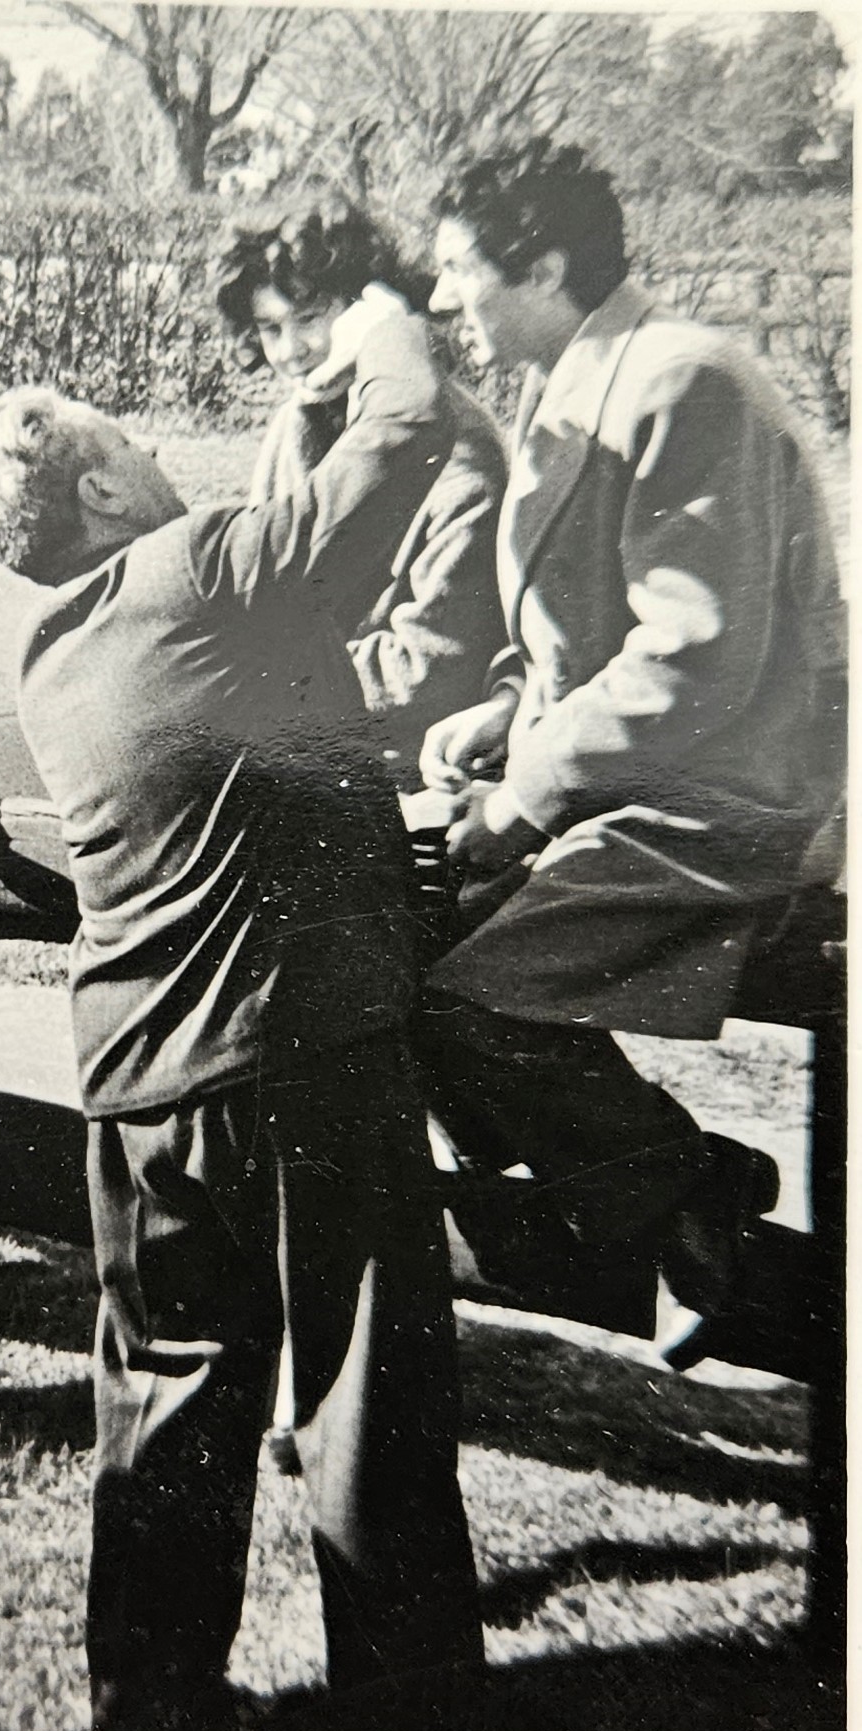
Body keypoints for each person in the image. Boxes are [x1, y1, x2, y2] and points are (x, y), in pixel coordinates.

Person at [0, 283, 480, 1731]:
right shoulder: (202, 569)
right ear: (104, 489)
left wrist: (295, 421)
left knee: (169, 1397)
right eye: (130, 442)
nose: (157, 454)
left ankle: (152, 1715)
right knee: (368, 1395)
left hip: (141, 1086)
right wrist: (378, 320)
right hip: (301, 1061)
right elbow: (403, 429)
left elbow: (266, 590)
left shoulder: (59, 648)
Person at [416, 138, 845, 1337]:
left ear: (544, 266)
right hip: (647, 778)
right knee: (390, 944)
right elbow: (586, 625)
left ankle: (690, 1203)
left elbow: (693, 656)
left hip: (734, 792)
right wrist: (507, 707)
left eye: (458, 269)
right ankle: (643, 1192)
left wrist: (521, 801)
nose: (442, 298)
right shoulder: (574, 377)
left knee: (473, 998)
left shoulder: (682, 380)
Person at [214, 188, 509, 782]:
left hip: (410, 769)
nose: (291, 352)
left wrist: (261, 679)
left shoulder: (461, 458)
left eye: (309, 319)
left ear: (367, 308)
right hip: (305, 740)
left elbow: (428, 671)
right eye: (270, 328)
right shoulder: (297, 423)